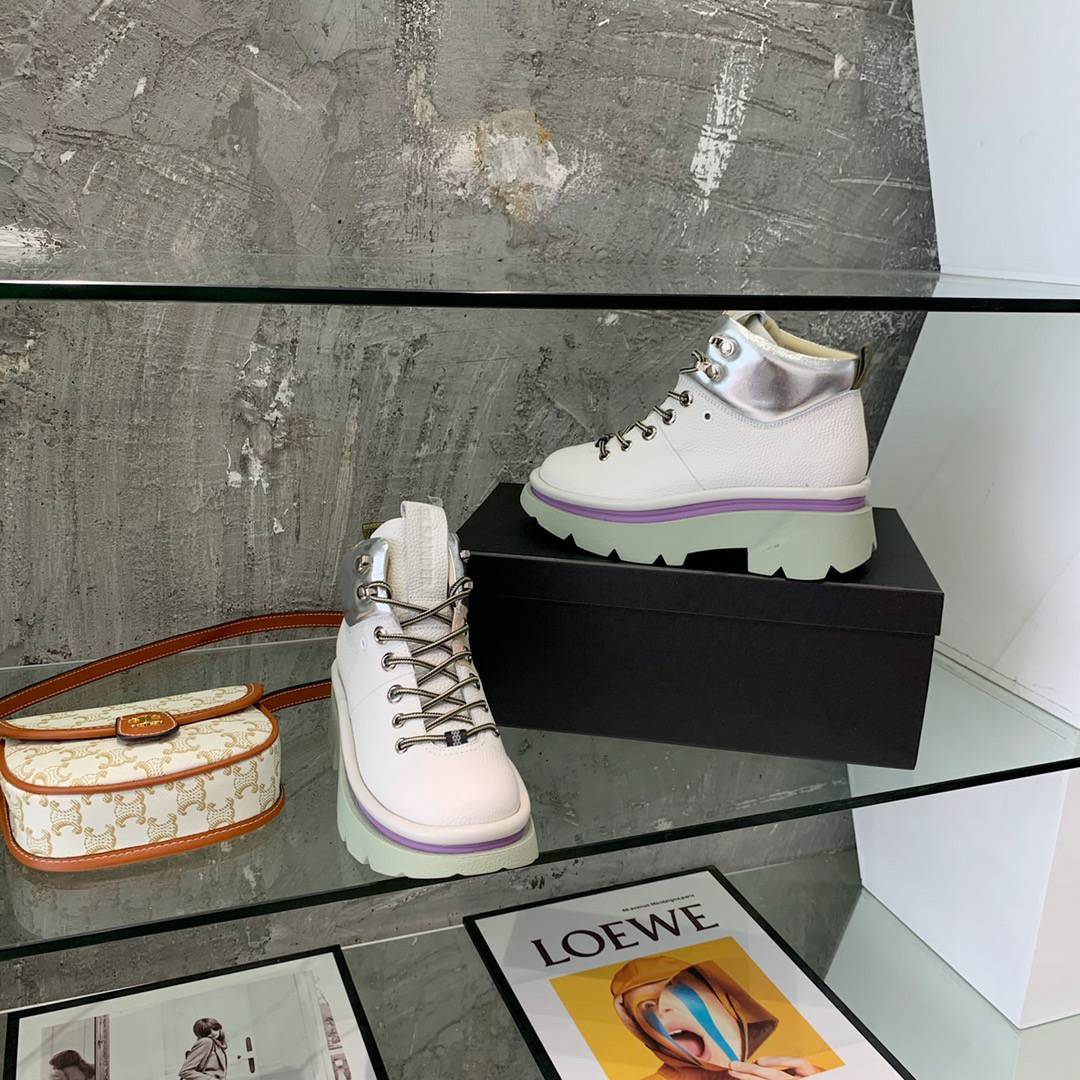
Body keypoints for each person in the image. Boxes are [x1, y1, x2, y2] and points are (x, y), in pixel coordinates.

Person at [610, 956, 823, 1079]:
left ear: (723, 998)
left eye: (676, 988)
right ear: (644, 1033)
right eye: (646, 1007)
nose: (662, 1009)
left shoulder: (803, 1073)